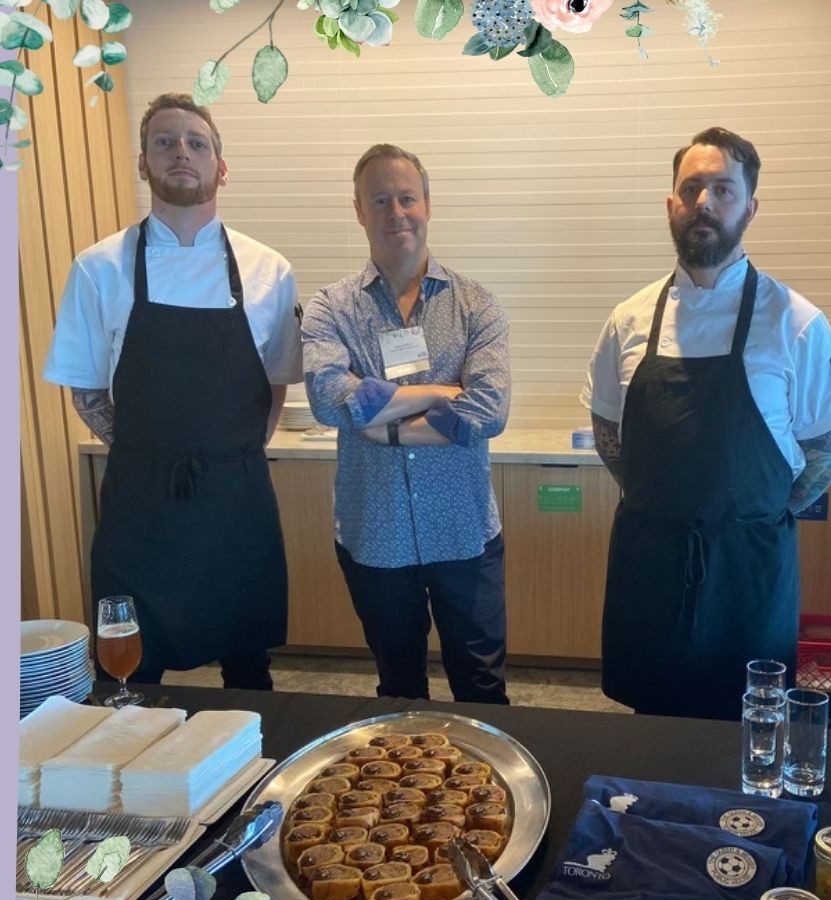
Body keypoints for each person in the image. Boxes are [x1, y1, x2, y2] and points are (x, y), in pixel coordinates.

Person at [582, 127, 831, 720]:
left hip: (749, 567)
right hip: (650, 558)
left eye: (723, 189)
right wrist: (660, 501)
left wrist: (759, 511)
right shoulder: (628, 318)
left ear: (750, 207)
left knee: (745, 729)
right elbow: (608, 430)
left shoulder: (798, 323)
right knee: (650, 725)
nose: (705, 202)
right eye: (692, 188)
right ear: (671, 205)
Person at [44, 92, 301, 690]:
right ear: (143, 164)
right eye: (164, 142)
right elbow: (85, 391)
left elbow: (276, 385)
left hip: (237, 500)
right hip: (140, 503)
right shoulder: (98, 267)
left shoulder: (270, 270)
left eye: (196, 142)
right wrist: (145, 452)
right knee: (130, 669)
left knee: (248, 667)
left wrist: (227, 455)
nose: (180, 152)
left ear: (221, 167)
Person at [302, 144, 510, 705]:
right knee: (399, 689)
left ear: (427, 205)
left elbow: (488, 410)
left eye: (407, 198)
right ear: (358, 210)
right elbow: (328, 400)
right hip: (376, 532)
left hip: (464, 532)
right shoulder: (330, 308)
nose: (396, 211)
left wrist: (384, 422)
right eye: (380, 200)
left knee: (482, 686)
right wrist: (442, 393)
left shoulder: (477, 305)